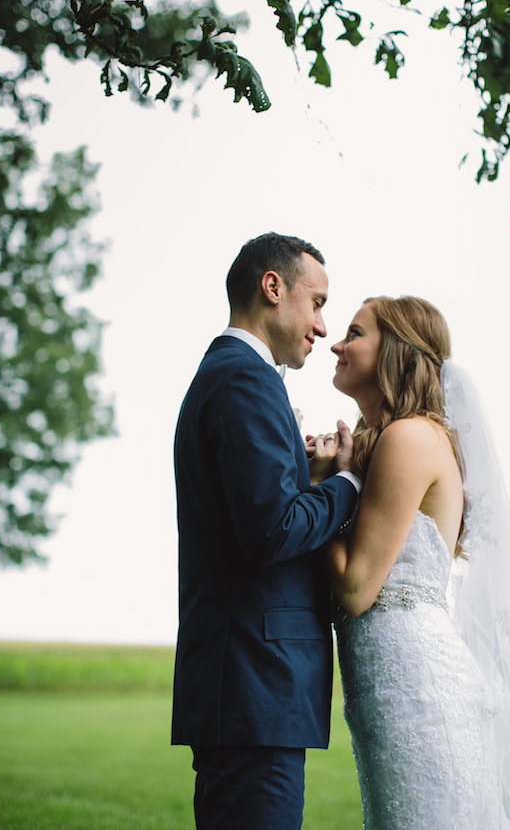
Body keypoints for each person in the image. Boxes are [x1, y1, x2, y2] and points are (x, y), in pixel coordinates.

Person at [319, 295, 510, 830]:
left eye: (354, 333)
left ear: (395, 350)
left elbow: (357, 588)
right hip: (392, 686)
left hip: (417, 689)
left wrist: (321, 487)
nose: (336, 343)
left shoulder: (408, 437)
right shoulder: (398, 438)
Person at [170, 232, 361, 830]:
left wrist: (306, 479)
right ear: (273, 288)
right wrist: (349, 485)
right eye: (318, 302)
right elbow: (271, 532)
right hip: (255, 683)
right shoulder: (245, 379)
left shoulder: (230, 375)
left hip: (248, 686)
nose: (324, 327)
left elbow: (258, 515)